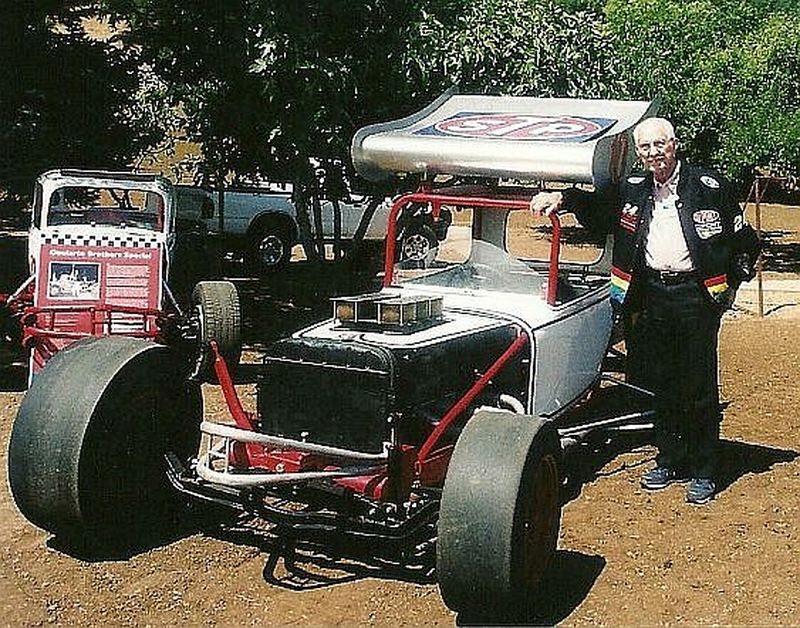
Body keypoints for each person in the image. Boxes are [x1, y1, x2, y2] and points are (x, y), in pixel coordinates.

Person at [529, 117, 760, 505]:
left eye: (660, 145)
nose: (654, 153)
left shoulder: (708, 187)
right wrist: (563, 199)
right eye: (645, 147)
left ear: (675, 144)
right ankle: (669, 458)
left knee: (698, 385)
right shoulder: (634, 189)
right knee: (661, 382)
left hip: (695, 297)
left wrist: (731, 285)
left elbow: (744, 242)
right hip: (650, 295)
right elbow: (597, 208)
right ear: (638, 153)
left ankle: (704, 469)